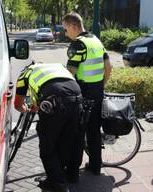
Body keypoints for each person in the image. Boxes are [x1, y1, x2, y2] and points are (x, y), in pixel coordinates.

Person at [14, 62, 83, 192]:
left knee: (47, 145)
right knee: (66, 141)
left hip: (55, 101)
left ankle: (59, 184)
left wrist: (27, 108)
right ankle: (61, 177)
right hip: (77, 97)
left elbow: (18, 105)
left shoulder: (25, 74)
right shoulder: (58, 66)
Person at [62, 12, 112, 176]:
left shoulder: (78, 44)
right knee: (94, 131)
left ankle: (73, 172)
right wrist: (101, 85)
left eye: (65, 29)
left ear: (73, 26)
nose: (65, 33)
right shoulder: (96, 41)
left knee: (78, 132)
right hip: (97, 91)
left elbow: (70, 72)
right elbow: (109, 67)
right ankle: (96, 166)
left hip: (83, 93)